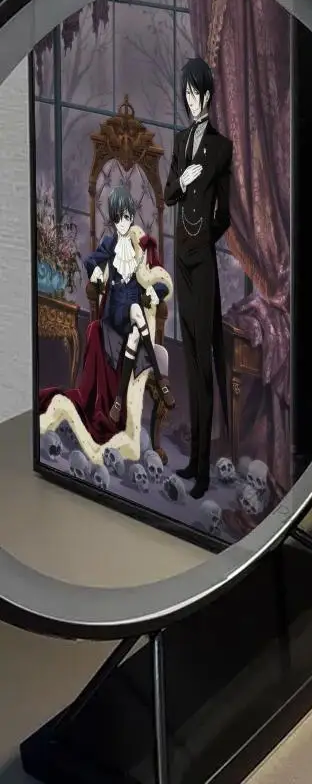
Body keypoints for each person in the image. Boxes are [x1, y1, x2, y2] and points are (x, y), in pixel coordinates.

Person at [39, 185, 173, 441]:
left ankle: (119, 401)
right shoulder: (110, 244)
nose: (123, 222)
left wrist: (155, 292)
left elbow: (159, 279)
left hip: (133, 310)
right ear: (113, 218)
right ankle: (159, 378)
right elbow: (90, 261)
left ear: (131, 217)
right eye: (118, 217)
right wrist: (97, 273)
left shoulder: (140, 247)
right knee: (136, 316)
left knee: (136, 329)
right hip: (115, 312)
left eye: (127, 217)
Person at [164, 56, 233, 499]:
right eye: (186, 94)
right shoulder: (179, 140)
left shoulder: (221, 148)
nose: (191, 101)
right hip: (181, 263)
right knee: (189, 361)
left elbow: (225, 213)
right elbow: (168, 193)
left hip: (202, 262)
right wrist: (185, 180)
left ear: (207, 94)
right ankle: (193, 460)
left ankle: (204, 469)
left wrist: (204, 236)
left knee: (204, 365)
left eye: (196, 93)